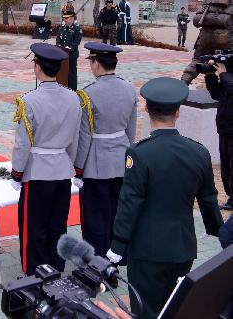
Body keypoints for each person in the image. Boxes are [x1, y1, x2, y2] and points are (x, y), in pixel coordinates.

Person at [108, 77, 223, 319]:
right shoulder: (199, 152)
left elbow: (130, 203)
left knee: (146, 311)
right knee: (176, 308)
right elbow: (209, 199)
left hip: (147, 251)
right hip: (183, 248)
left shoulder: (140, 153)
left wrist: (117, 246)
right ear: (178, 112)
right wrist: (217, 231)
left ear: (147, 109)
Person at [11, 43, 81, 275]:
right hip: (62, 169)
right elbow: (75, 138)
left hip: (38, 171)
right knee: (57, 224)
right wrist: (71, 166)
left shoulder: (29, 100)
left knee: (34, 226)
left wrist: (17, 173)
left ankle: (35, 272)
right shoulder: (74, 98)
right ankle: (56, 266)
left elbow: (23, 143)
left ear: (37, 67)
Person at [73, 43, 137, 257]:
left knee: (95, 217)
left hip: (96, 162)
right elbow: (131, 129)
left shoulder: (87, 94)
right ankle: (117, 257)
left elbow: (84, 136)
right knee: (117, 213)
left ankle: (96, 263)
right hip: (122, 158)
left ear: (97, 64)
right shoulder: (129, 88)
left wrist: (78, 169)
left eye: (92, 61)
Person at [204, 58, 233, 210]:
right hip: (225, 127)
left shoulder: (227, 76)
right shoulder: (227, 77)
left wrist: (223, 74)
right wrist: (210, 75)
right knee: (226, 166)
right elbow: (216, 95)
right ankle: (231, 197)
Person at [55, 10, 82, 90]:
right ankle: (63, 88)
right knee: (62, 72)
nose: (65, 20)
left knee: (72, 73)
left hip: (72, 55)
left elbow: (77, 41)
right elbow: (58, 39)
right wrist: (59, 46)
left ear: (72, 18)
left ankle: (73, 90)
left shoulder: (77, 29)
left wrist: (70, 48)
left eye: (67, 18)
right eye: (64, 18)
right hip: (62, 55)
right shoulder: (62, 28)